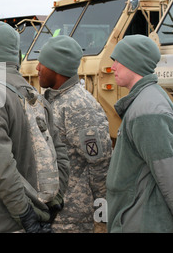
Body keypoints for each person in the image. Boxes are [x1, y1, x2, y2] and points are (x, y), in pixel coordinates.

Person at [0, 22, 70, 233]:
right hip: (31, 220)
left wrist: (24, 214)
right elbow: (60, 157)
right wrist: (52, 206)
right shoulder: (34, 95)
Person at [36, 35, 112, 233]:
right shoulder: (50, 100)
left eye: (42, 64)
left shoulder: (79, 106)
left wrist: (101, 218)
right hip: (51, 214)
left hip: (73, 219)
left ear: (57, 68)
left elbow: (100, 165)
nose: (37, 68)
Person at [106, 34, 173, 233]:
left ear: (133, 62)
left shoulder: (147, 109)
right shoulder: (145, 101)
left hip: (144, 221)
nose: (113, 68)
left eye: (117, 61)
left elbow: (169, 173)